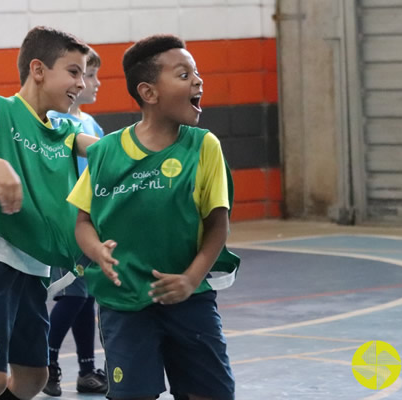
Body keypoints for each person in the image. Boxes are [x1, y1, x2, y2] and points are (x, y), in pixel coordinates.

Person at [67, 34, 240, 400]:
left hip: (189, 300)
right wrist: (97, 251)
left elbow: (217, 223)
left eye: (196, 72)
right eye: (183, 74)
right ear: (149, 93)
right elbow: (83, 221)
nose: (197, 81)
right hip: (124, 303)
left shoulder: (204, 146)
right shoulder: (106, 152)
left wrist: (191, 279)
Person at [0, 26, 97, 400]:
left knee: (33, 378)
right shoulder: (2, 108)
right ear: (39, 70)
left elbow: (110, 151)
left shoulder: (67, 130)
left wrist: (156, 148)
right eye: (74, 71)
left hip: (33, 266)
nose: (81, 82)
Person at [42, 48, 107, 396]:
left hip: (90, 222)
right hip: (67, 225)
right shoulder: (57, 124)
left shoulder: (91, 124)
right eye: (86, 75)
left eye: (92, 75)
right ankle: (46, 362)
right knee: (72, 294)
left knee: (86, 297)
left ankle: (85, 369)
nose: (93, 83)